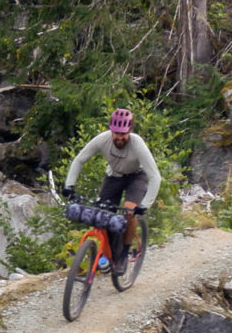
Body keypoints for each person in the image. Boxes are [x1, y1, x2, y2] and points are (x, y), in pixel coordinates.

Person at [64, 108, 161, 270]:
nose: (119, 137)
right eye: (116, 133)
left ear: (129, 131)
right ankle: (112, 255)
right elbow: (80, 160)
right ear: (111, 130)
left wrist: (145, 205)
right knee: (103, 214)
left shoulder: (137, 144)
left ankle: (124, 253)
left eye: (123, 134)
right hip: (114, 176)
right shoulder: (103, 140)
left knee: (129, 212)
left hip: (137, 176)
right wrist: (69, 185)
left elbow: (155, 176)